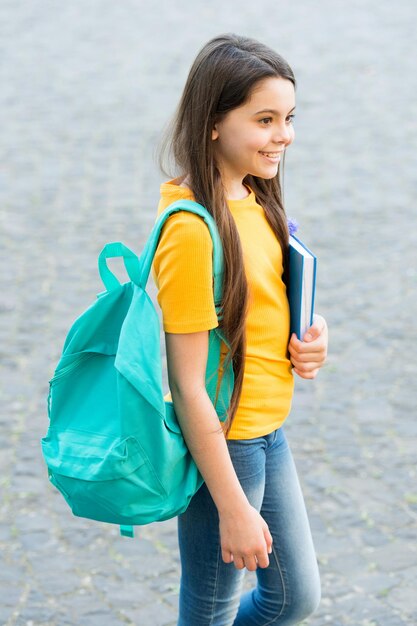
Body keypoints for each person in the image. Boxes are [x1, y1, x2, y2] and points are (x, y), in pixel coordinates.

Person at [151, 33, 328, 626]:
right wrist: (230, 506)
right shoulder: (191, 231)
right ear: (213, 125)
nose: (286, 135)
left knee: (294, 598)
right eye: (265, 119)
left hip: (267, 433)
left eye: (289, 117)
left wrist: (309, 338)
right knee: (210, 611)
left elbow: (262, 305)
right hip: (225, 447)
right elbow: (189, 381)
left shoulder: (254, 197)